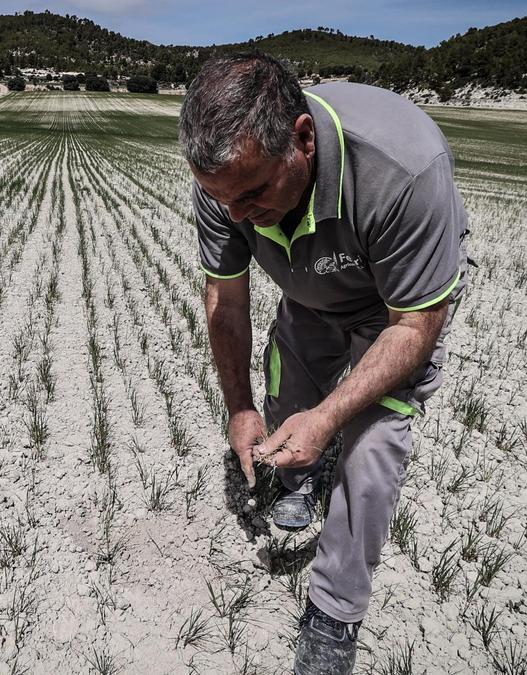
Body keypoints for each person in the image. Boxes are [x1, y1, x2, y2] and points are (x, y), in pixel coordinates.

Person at [178, 53, 470, 674]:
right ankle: (298, 483)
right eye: (220, 200)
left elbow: (415, 325)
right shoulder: (230, 181)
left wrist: (331, 418)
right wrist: (238, 407)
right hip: (310, 292)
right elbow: (225, 301)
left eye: (253, 194)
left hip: (393, 308)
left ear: (304, 141)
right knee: (286, 394)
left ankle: (334, 613)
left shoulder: (404, 169)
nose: (236, 216)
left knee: (370, 446)